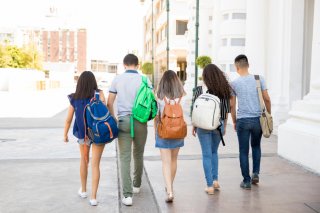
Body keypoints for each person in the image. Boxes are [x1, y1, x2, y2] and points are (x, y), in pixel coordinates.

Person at [107, 54, 150, 206]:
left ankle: (127, 195)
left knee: (124, 157)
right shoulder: (145, 79)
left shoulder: (117, 79)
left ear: (124, 64)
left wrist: (114, 118)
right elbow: (151, 101)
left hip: (123, 120)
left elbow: (109, 102)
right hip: (140, 121)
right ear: (137, 65)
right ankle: (137, 185)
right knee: (138, 153)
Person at [63, 71, 106, 206]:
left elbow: (68, 119)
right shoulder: (99, 94)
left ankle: (83, 190)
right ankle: (93, 198)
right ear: (93, 82)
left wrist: (65, 134)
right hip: (98, 133)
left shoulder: (75, 98)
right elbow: (105, 112)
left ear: (79, 83)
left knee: (84, 160)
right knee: (95, 164)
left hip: (83, 134)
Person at [230, 54, 271, 189]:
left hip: (242, 120)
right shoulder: (259, 79)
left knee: (243, 151)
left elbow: (232, 105)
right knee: (256, 146)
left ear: (237, 68)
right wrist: (268, 114)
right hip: (257, 120)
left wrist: (234, 121)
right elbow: (267, 99)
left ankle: (246, 181)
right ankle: (255, 173)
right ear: (248, 65)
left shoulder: (234, 83)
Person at [192, 64, 231, 195]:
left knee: (206, 154)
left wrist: (194, 125)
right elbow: (225, 111)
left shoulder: (198, 90)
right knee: (214, 152)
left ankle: (209, 186)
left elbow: (194, 110)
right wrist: (224, 126)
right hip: (217, 125)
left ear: (205, 76)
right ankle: (215, 180)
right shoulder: (224, 89)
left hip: (202, 125)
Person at [155, 70, 186, 202]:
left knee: (166, 162)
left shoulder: (159, 97)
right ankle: (170, 187)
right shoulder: (183, 97)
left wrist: (155, 133)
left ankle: (170, 191)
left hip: (163, 132)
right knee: (173, 160)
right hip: (178, 132)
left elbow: (156, 116)